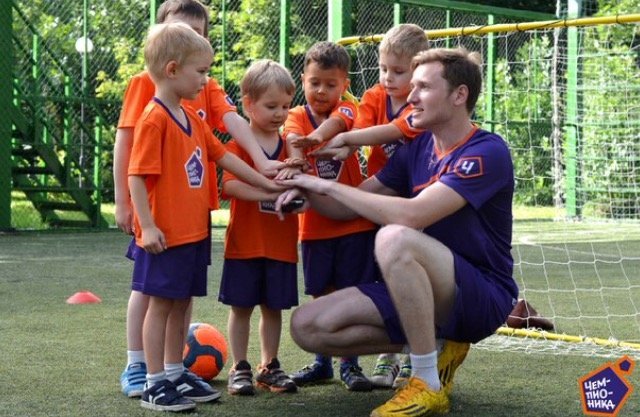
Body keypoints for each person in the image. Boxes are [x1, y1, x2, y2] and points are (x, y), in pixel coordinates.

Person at [277, 47, 518, 417]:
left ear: (459, 95)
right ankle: (438, 345)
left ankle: (426, 382)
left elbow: (412, 213)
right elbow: (347, 207)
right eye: (413, 86)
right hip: (421, 290)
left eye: (424, 87)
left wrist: (324, 186)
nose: (411, 97)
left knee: (393, 237)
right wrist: (304, 187)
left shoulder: (487, 151)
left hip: (480, 294)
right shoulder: (416, 148)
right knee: (308, 327)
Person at [114, 0, 283, 399]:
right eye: (201, 70)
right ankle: (147, 374)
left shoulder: (194, 104)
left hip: (193, 223)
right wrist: (138, 215)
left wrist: (266, 174)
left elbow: (222, 149)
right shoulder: (151, 105)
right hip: (163, 224)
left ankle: (173, 372)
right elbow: (133, 162)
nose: (206, 79)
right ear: (171, 64)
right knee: (154, 297)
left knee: (180, 299)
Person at [282, 41, 379, 392]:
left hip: (354, 223)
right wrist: (298, 152)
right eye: (314, 82)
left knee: (351, 294)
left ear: (344, 85)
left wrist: (316, 138)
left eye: (330, 84)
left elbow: (339, 122)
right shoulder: (295, 115)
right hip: (314, 228)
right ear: (303, 80)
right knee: (321, 293)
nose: (321, 90)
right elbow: (292, 139)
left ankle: (350, 365)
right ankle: (322, 362)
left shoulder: (350, 110)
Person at [219, 60, 300, 396]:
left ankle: (269, 366)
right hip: (245, 244)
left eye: (285, 106)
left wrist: (296, 194)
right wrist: (270, 191)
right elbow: (229, 186)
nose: (280, 113)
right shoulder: (238, 145)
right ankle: (239, 366)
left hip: (281, 245)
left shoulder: (291, 147)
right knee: (241, 308)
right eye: (271, 106)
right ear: (248, 104)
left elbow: (302, 189)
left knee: (273, 308)